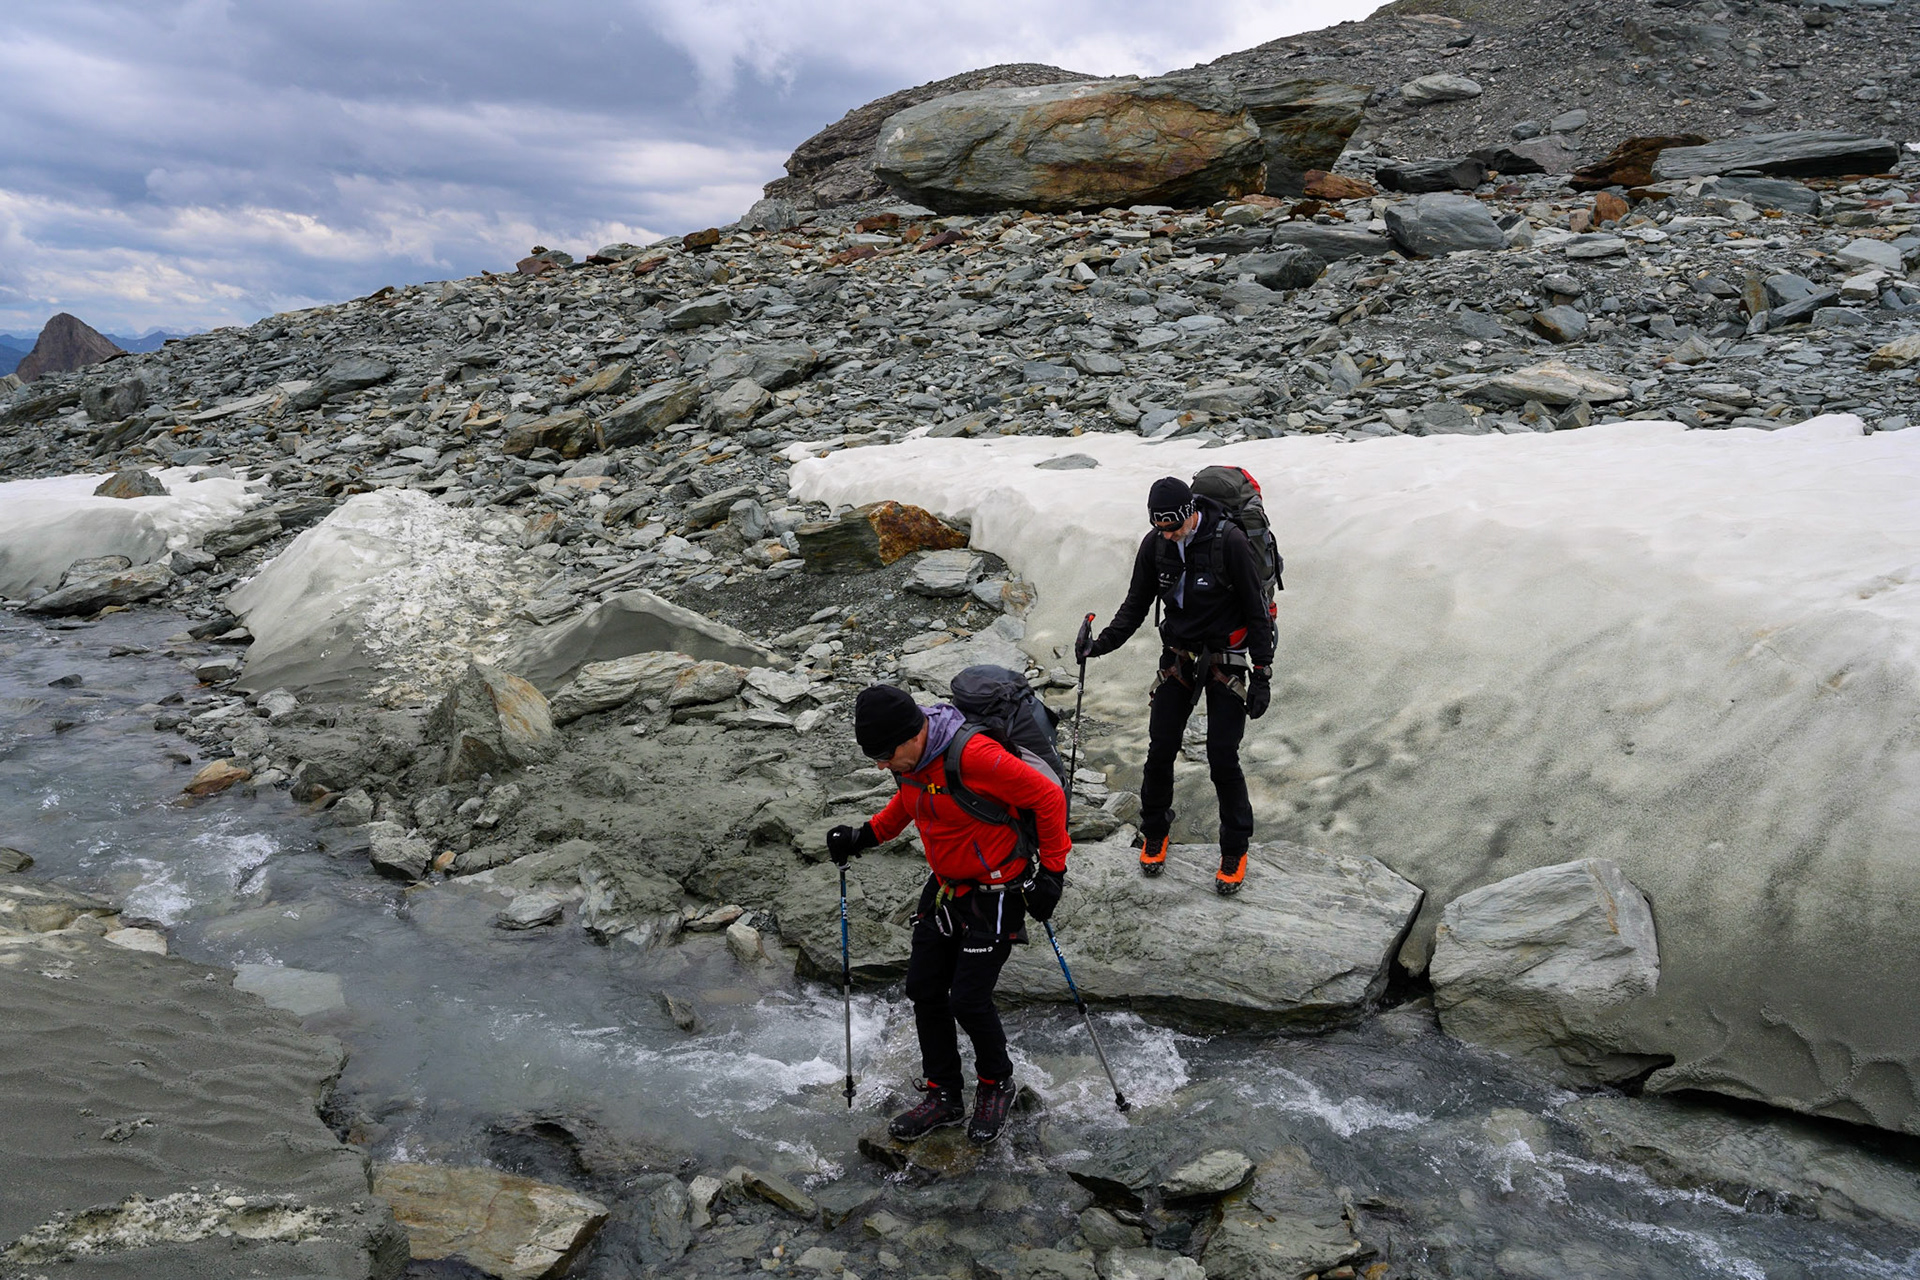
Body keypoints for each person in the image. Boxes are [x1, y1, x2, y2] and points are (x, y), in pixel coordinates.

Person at [827, 683, 1069, 1146]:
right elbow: (911, 800)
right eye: (872, 757)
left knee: (968, 999)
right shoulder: (911, 762)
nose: (880, 765)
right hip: (944, 888)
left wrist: (1053, 874)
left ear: (912, 733)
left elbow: (1048, 799)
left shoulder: (974, 755)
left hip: (997, 889)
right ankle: (944, 1095)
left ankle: (996, 1083)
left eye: (883, 754)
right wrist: (865, 836)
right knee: (924, 989)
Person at [1075, 475, 1275, 895]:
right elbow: (1137, 602)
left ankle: (1235, 848)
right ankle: (1154, 830)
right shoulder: (1156, 544)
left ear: (1190, 513)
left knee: (1222, 757)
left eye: (1173, 527)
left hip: (1227, 658)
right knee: (1161, 746)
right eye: (1160, 528)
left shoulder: (1230, 542)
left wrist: (1263, 673)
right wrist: (1100, 645)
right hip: (1180, 656)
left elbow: (1257, 610)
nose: (1168, 534)